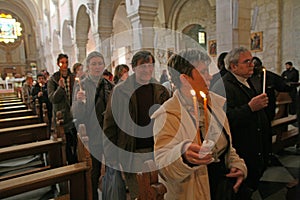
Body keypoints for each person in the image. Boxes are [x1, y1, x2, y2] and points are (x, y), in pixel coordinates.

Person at [152, 49, 247, 199]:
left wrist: (237, 164)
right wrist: (182, 154)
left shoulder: (214, 104)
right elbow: (163, 166)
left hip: (221, 188)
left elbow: (226, 146)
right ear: (185, 79)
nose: (209, 76)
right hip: (193, 192)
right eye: (203, 72)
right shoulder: (168, 114)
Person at [102, 50, 170, 199]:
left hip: (157, 151)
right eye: (143, 66)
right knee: (139, 195)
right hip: (132, 152)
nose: (147, 69)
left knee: (159, 194)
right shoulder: (120, 91)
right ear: (134, 67)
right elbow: (110, 126)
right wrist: (112, 158)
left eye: (150, 65)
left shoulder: (161, 91)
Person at [211, 47, 270, 198]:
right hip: (240, 150)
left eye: (252, 60)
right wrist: (250, 108)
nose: (252, 64)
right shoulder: (222, 86)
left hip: (254, 147)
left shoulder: (248, 81)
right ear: (233, 66)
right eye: (247, 62)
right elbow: (223, 121)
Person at [73, 51, 110, 200]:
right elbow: (76, 114)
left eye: (100, 63)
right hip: (92, 136)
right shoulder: (81, 86)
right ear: (88, 66)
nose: (97, 67)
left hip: (108, 136)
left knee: (111, 175)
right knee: (93, 175)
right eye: (93, 64)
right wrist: (79, 102)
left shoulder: (109, 85)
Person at [48, 53, 77, 164]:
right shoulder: (53, 79)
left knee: (76, 142)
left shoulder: (73, 77)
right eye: (62, 63)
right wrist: (60, 88)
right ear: (58, 64)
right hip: (62, 116)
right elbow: (52, 99)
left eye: (66, 62)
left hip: (74, 114)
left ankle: (77, 162)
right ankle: (70, 163)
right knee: (67, 144)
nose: (64, 65)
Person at [249, 57, 292, 121]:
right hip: (252, 110)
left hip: (268, 109)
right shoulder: (246, 76)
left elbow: (283, 85)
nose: (255, 69)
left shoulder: (269, 76)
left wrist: (289, 85)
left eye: (257, 66)